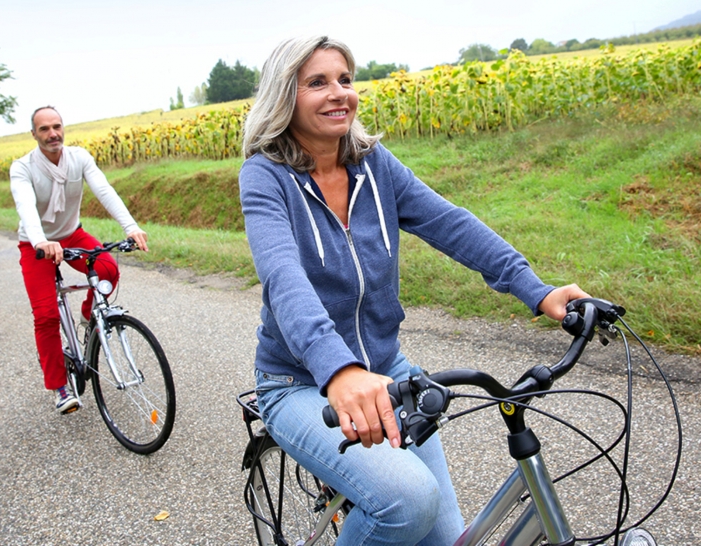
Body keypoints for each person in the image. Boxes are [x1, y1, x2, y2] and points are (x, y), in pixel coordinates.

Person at [239, 36, 589, 546]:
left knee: (447, 540)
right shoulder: (265, 177)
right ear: (284, 97)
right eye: (317, 82)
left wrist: (537, 291)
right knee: (408, 503)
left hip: (387, 371)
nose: (339, 93)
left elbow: (450, 223)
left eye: (345, 79)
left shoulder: (374, 165)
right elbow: (282, 276)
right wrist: (338, 371)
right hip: (298, 381)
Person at [10, 106, 149, 414]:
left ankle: (89, 316)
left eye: (56, 126)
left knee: (107, 269)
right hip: (37, 245)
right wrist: (41, 241)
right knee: (46, 315)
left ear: (64, 128)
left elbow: (105, 190)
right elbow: (26, 207)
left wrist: (132, 227)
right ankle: (60, 387)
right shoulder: (22, 168)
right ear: (33, 134)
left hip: (72, 234)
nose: (52, 134)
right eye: (44, 129)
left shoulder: (79, 158)